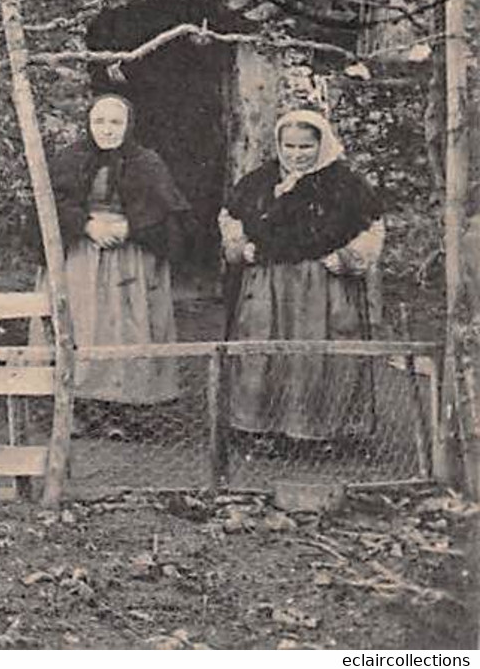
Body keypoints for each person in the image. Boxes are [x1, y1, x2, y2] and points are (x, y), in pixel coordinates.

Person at [219, 109, 385, 445]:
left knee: (315, 358)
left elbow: (373, 227)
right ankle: (261, 429)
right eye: (289, 146)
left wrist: (347, 257)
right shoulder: (258, 182)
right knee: (264, 351)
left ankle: (322, 433)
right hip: (268, 282)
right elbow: (230, 217)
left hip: (321, 286)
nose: (296, 155)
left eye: (306, 147)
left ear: (321, 144)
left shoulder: (346, 185)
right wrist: (240, 247)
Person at [49, 94, 190, 433]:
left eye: (115, 122)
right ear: (88, 123)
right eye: (99, 122)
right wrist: (87, 225)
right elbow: (54, 202)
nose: (107, 130)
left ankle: (125, 412)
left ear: (128, 126)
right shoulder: (70, 159)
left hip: (130, 259)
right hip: (83, 255)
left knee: (125, 327)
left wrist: (132, 226)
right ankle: (83, 410)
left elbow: (167, 209)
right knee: (85, 326)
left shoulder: (147, 162)